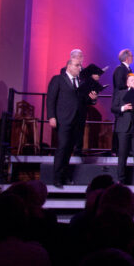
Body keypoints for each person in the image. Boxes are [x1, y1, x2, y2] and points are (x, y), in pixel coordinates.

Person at [47, 57, 97, 188]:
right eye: (77, 66)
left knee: (69, 148)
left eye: (80, 66)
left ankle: (64, 176)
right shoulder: (58, 79)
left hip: (76, 120)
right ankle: (57, 177)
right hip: (63, 119)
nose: (79, 68)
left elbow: (84, 100)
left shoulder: (80, 82)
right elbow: (51, 99)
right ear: (69, 66)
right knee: (62, 147)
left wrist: (92, 99)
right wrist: (51, 116)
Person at [112, 74, 134, 185]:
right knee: (122, 154)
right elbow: (113, 108)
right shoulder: (120, 93)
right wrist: (124, 108)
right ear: (127, 83)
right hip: (123, 127)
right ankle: (121, 179)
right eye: (132, 80)